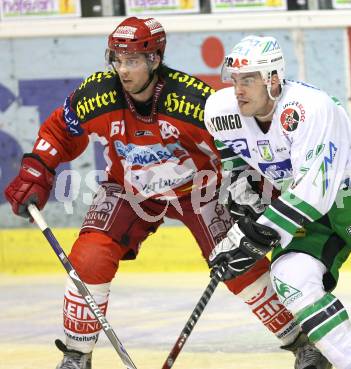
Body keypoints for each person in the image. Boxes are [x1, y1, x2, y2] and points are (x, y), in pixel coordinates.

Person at [3, 18, 331, 369]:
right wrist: (37, 168)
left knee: (239, 261)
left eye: (132, 61)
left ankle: (302, 343)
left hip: (199, 191)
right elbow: (60, 130)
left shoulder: (192, 103)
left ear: (155, 59)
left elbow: (236, 149)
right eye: (117, 59)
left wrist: (247, 193)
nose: (122, 69)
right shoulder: (97, 94)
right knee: (89, 257)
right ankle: (76, 355)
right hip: (128, 189)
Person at [205, 35, 351, 369]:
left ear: (273, 79)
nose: (238, 89)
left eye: (249, 80)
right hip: (303, 205)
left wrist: (257, 236)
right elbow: (234, 156)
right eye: (235, 80)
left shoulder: (308, 108)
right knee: (291, 277)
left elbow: (315, 192)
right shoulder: (220, 110)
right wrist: (242, 200)